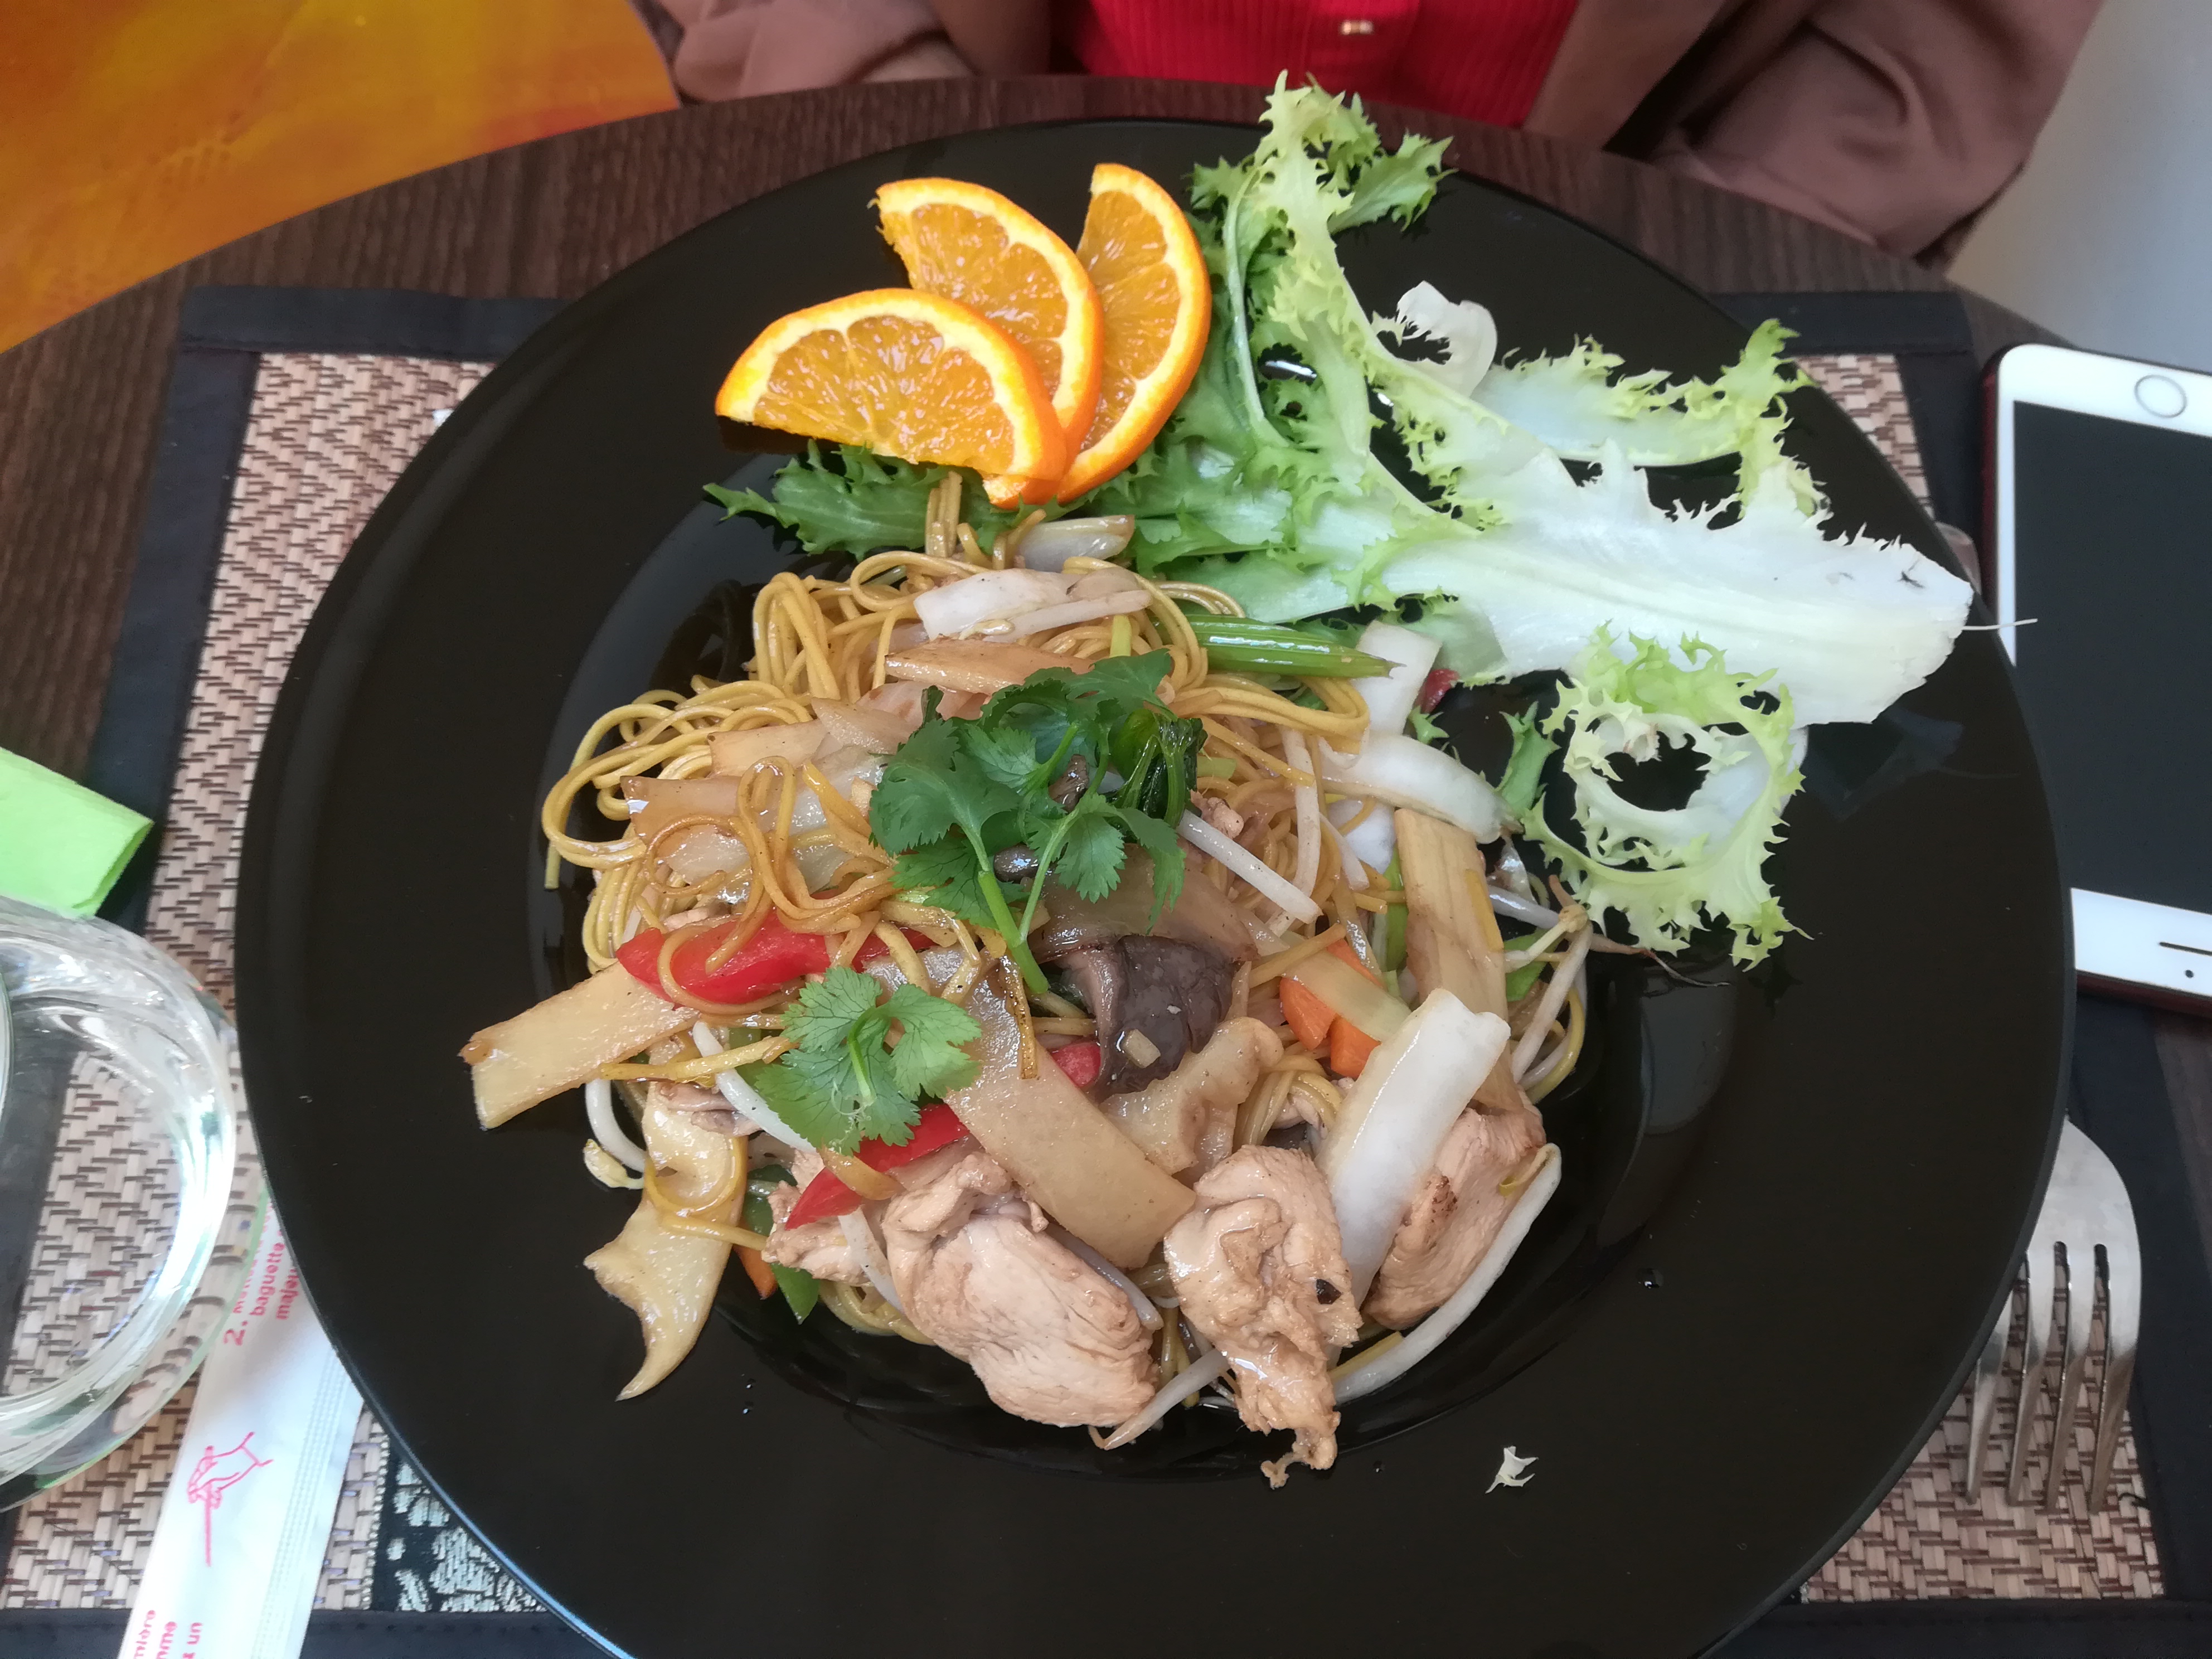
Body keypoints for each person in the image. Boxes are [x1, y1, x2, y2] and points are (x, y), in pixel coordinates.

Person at [646, 0, 2103, 264]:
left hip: (1589, 210)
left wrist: (1663, 257)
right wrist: (928, 141)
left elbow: (1925, 51)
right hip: (1009, 155)